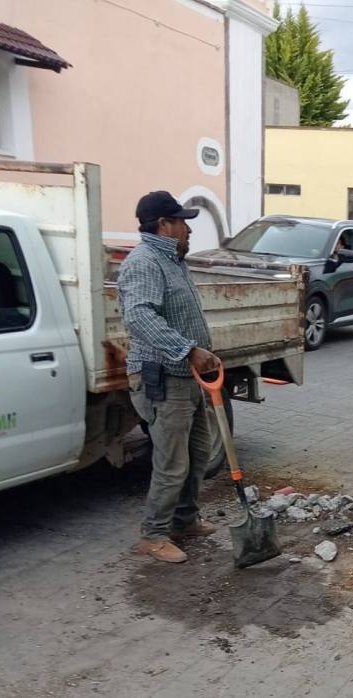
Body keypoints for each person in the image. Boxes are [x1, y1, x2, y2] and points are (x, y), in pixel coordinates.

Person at [118, 190, 221, 563]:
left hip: (186, 376)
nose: (188, 229)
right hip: (163, 376)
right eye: (182, 222)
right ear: (164, 225)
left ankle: (185, 519)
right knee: (172, 462)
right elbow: (139, 316)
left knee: (198, 453)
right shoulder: (145, 262)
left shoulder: (172, 260)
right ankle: (154, 534)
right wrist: (188, 350)